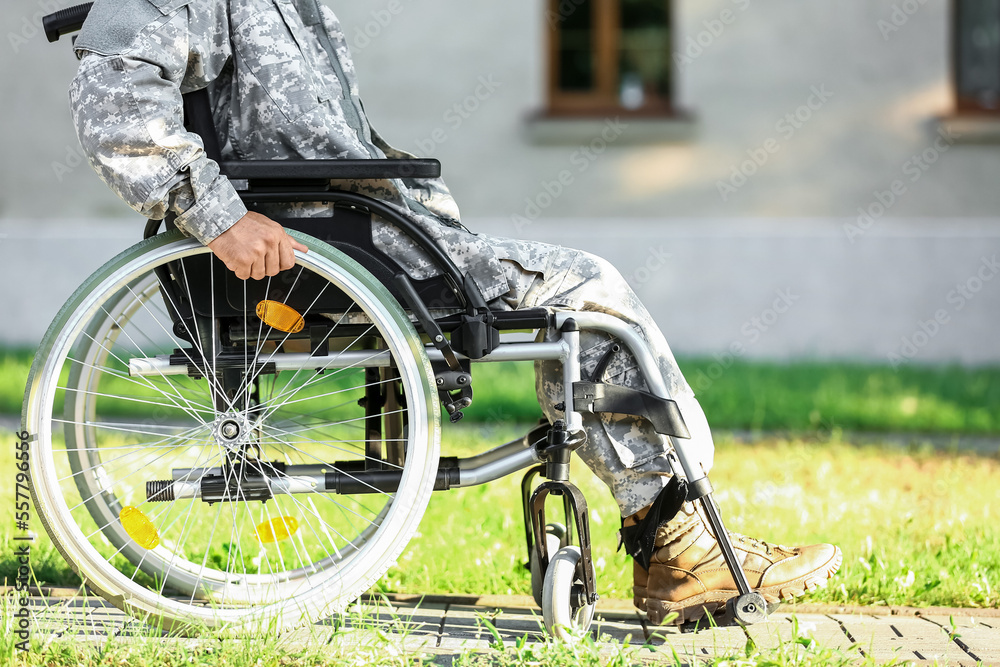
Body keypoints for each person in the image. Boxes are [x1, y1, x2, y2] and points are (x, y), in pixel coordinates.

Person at [68, 0, 841, 625]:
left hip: (357, 238)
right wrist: (220, 219)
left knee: (572, 293)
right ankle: (674, 534)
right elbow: (115, 108)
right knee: (591, 295)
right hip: (324, 250)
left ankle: (676, 529)